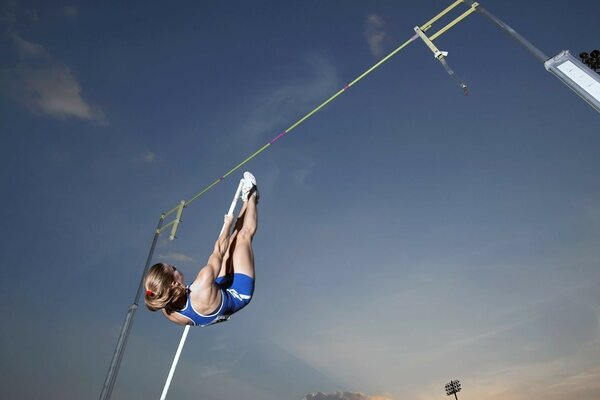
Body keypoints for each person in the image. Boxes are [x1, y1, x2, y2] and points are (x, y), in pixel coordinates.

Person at [144, 172, 259, 326]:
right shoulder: (202, 281)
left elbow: (202, 320)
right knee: (242, 238)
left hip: (217, 295)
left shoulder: (167, 310)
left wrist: (218, 316)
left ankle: (245, 200)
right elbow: (218, 250)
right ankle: (252, 195)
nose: (175, 267)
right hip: (237, 295)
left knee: (231, 244)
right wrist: (227, 224)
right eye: (173, 268)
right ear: (172, 283)